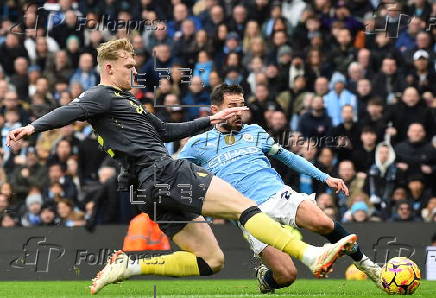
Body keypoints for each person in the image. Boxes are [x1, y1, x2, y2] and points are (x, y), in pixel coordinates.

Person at [6, 39, 356, 294]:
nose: (134, 70)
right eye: (128, 65)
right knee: (244, 207)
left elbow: (168, 131)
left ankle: (130, 265)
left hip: (147, 190)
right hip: (164, 172)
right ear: (109, 67)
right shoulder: (101, 94)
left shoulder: (128, 104)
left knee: (211, 261)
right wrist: (33, 127)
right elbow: (70, 109)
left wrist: (212, 119)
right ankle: (312, 254)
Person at [179, 84, 381, 294]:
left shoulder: (255, 131)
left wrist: (325, 177)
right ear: (215, 110)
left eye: (242, 106)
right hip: (247, 213)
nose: (239, 112)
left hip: (277, 194)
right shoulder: (197, 144)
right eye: (232, 106)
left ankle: (370, 268)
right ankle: (265, 278)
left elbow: (287, 156)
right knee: (286, 275)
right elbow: (173, 171)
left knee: (323, 223)